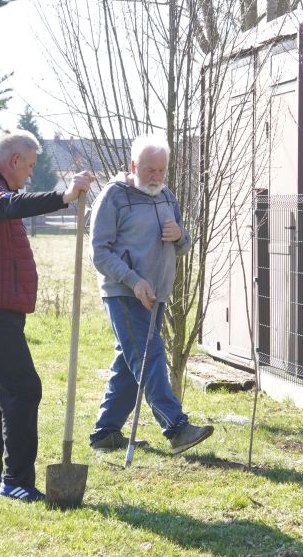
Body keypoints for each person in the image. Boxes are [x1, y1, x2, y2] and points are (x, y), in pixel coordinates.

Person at [0, 129, 94, 502]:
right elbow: (11, 204)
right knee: (23, 388)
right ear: (14, 161)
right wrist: (63, 197)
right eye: (29, 166)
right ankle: (15, 481)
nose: (30, 174)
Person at [88, 134, 214, 454]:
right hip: (125, 293)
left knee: (131, 366)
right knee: (150, 357)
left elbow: (183, 245)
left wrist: (180, 235)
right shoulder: (114, 196)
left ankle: (105, 433)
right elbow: (99, 253)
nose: (156, 177)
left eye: (162, 170)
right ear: (133, 166)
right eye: (149, 170)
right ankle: (176, 427)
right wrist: (133, 281)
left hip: (157, 295)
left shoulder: (166, 196)